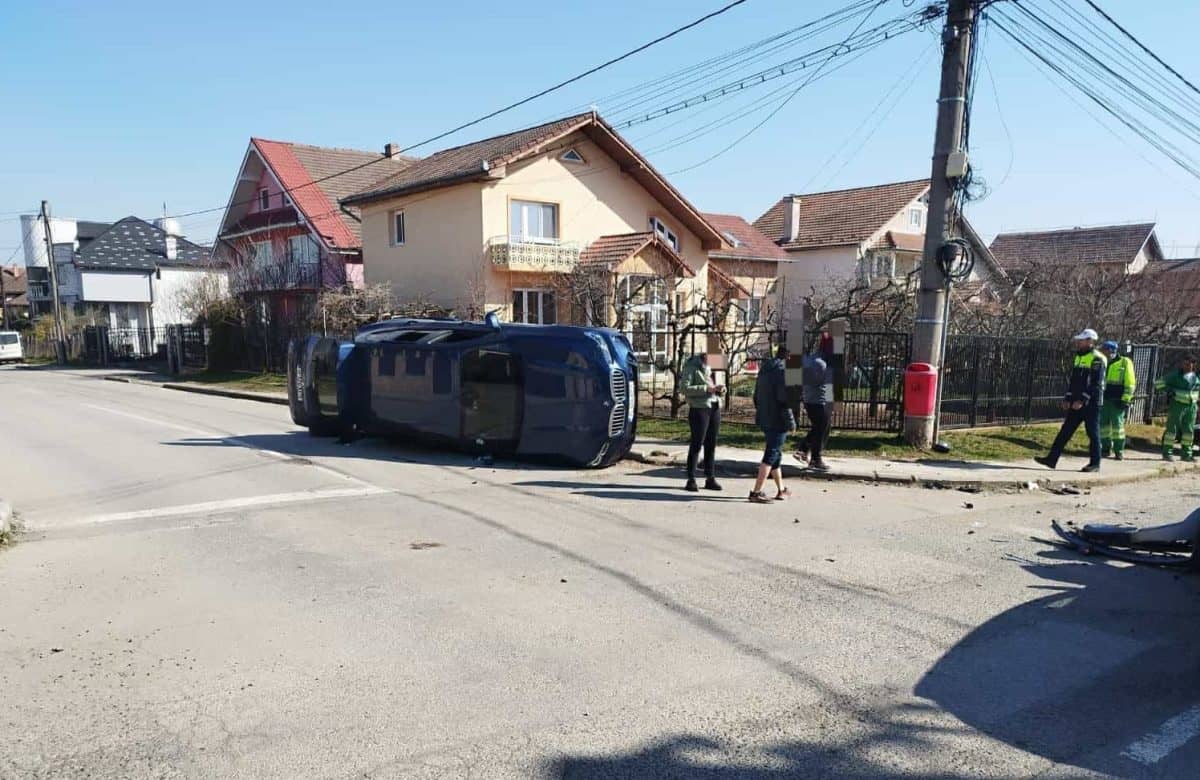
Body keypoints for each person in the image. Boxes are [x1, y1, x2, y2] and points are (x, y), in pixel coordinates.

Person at [1035, 328, 1106, 473]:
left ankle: (1095, 463)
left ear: (1090, 341)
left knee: (1093, 433)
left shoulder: (1097, 358)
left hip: (1091, 403)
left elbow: (1095, 383)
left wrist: (1082, 400)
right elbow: (1074, 381)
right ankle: (1052, 459)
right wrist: (1068, 397)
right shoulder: (1079, 357)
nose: (1078, 343)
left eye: (1081, 340)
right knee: (1065, 431)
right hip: (1075, 402)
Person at [750, 345, 796, 503]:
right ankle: (756, 492)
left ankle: (781, 489)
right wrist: (791, 422)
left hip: (764, 418)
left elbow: (755, 396)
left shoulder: (765, 370)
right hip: (778, 420)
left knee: (776, 455)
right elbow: (784, 401)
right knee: (771, 454)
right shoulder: (783, 373)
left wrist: (763, 411)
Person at [680, 353, 723, 492]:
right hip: (699, 409)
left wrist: (721, 388)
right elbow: (684, 388)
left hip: (714, 406)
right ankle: (691, 478)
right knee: (697, 443)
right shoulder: (691, 366)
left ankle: (710, 477)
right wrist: (706, 389)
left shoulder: (715, 365)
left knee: (711, 444)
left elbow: (719, 384)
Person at [794, 337, 832, 471]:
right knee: (821, 429)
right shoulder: (820, 363)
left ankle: (803, 449)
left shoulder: (815, 360)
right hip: (816, 401)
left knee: (819, 428)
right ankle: (815, 459)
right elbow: (816, 382)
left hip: (814, 400)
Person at [1098, 340, 1136, 460]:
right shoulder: (1102, 361)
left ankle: (1119, 451)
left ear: (1110, 350)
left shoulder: (1125, 362)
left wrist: (1125, 399)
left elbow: (1130, 383)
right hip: (1104, 399)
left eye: (1103, 349)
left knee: (1117, 427)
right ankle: (1105, 448)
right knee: (1103, 426)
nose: (1101, 351)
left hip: (1117, 400)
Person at [1156, 354, 1198, 462]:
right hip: (1177, 405)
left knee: (1188, 431)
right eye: (1185, 364)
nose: (1187, 366)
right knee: (1172, 430)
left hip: (1191, 406)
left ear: (1194, 365)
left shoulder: (1196, 377)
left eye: (1189, 364)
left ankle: (1186, 454)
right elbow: (1158, 384)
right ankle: (1167, 453)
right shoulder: (1175, 375)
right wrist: (1169, 390)